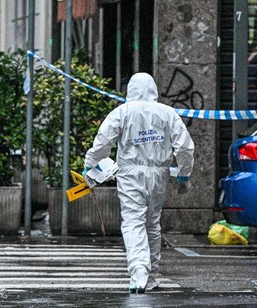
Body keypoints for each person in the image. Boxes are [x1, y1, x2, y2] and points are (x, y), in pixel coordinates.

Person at [82, 72, 194, 294]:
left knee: (133, 221)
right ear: (153, 89)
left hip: (130, 173)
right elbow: (184, 146)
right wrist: (183, 173)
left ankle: (139, 270)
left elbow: (103, 141)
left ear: (130, 89)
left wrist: (90, 164)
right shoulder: (167, 113)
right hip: (160, 173)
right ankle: (151, 276)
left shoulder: (122, 112)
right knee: (152, 224)